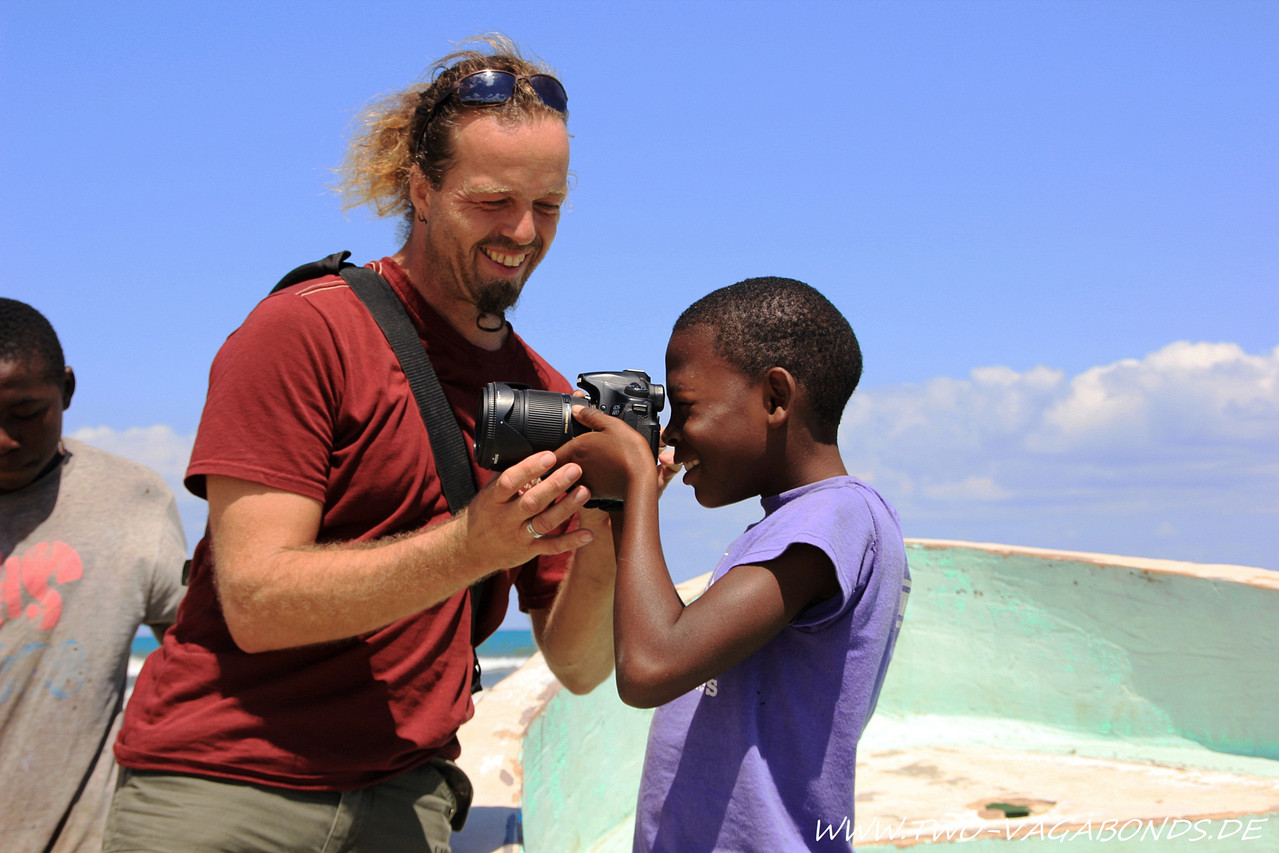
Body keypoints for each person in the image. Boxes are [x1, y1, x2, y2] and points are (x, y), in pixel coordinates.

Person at [105, 36, 616, 853]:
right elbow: (257, 601)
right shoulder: (305, 330)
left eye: (546, 205)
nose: (522, 231)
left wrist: (611, 527)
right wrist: (473, 544)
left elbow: (583, 664)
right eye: (492, 201)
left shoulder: (543, 394)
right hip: (225, 786)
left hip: (405, 798)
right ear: (421, 190)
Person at [560, 277, 912, 852]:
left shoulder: (837, 516)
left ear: (775, 398)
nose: (670, 434)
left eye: (686, 407)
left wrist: (637, 484)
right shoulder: (790, 529)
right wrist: (625, 506)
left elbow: (649, 667)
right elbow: (672, 641)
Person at [0, 298, 187, 852]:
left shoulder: (132, 500)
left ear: (68, 391)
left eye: (27, 413)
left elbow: (199, 652)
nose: (4, 440)